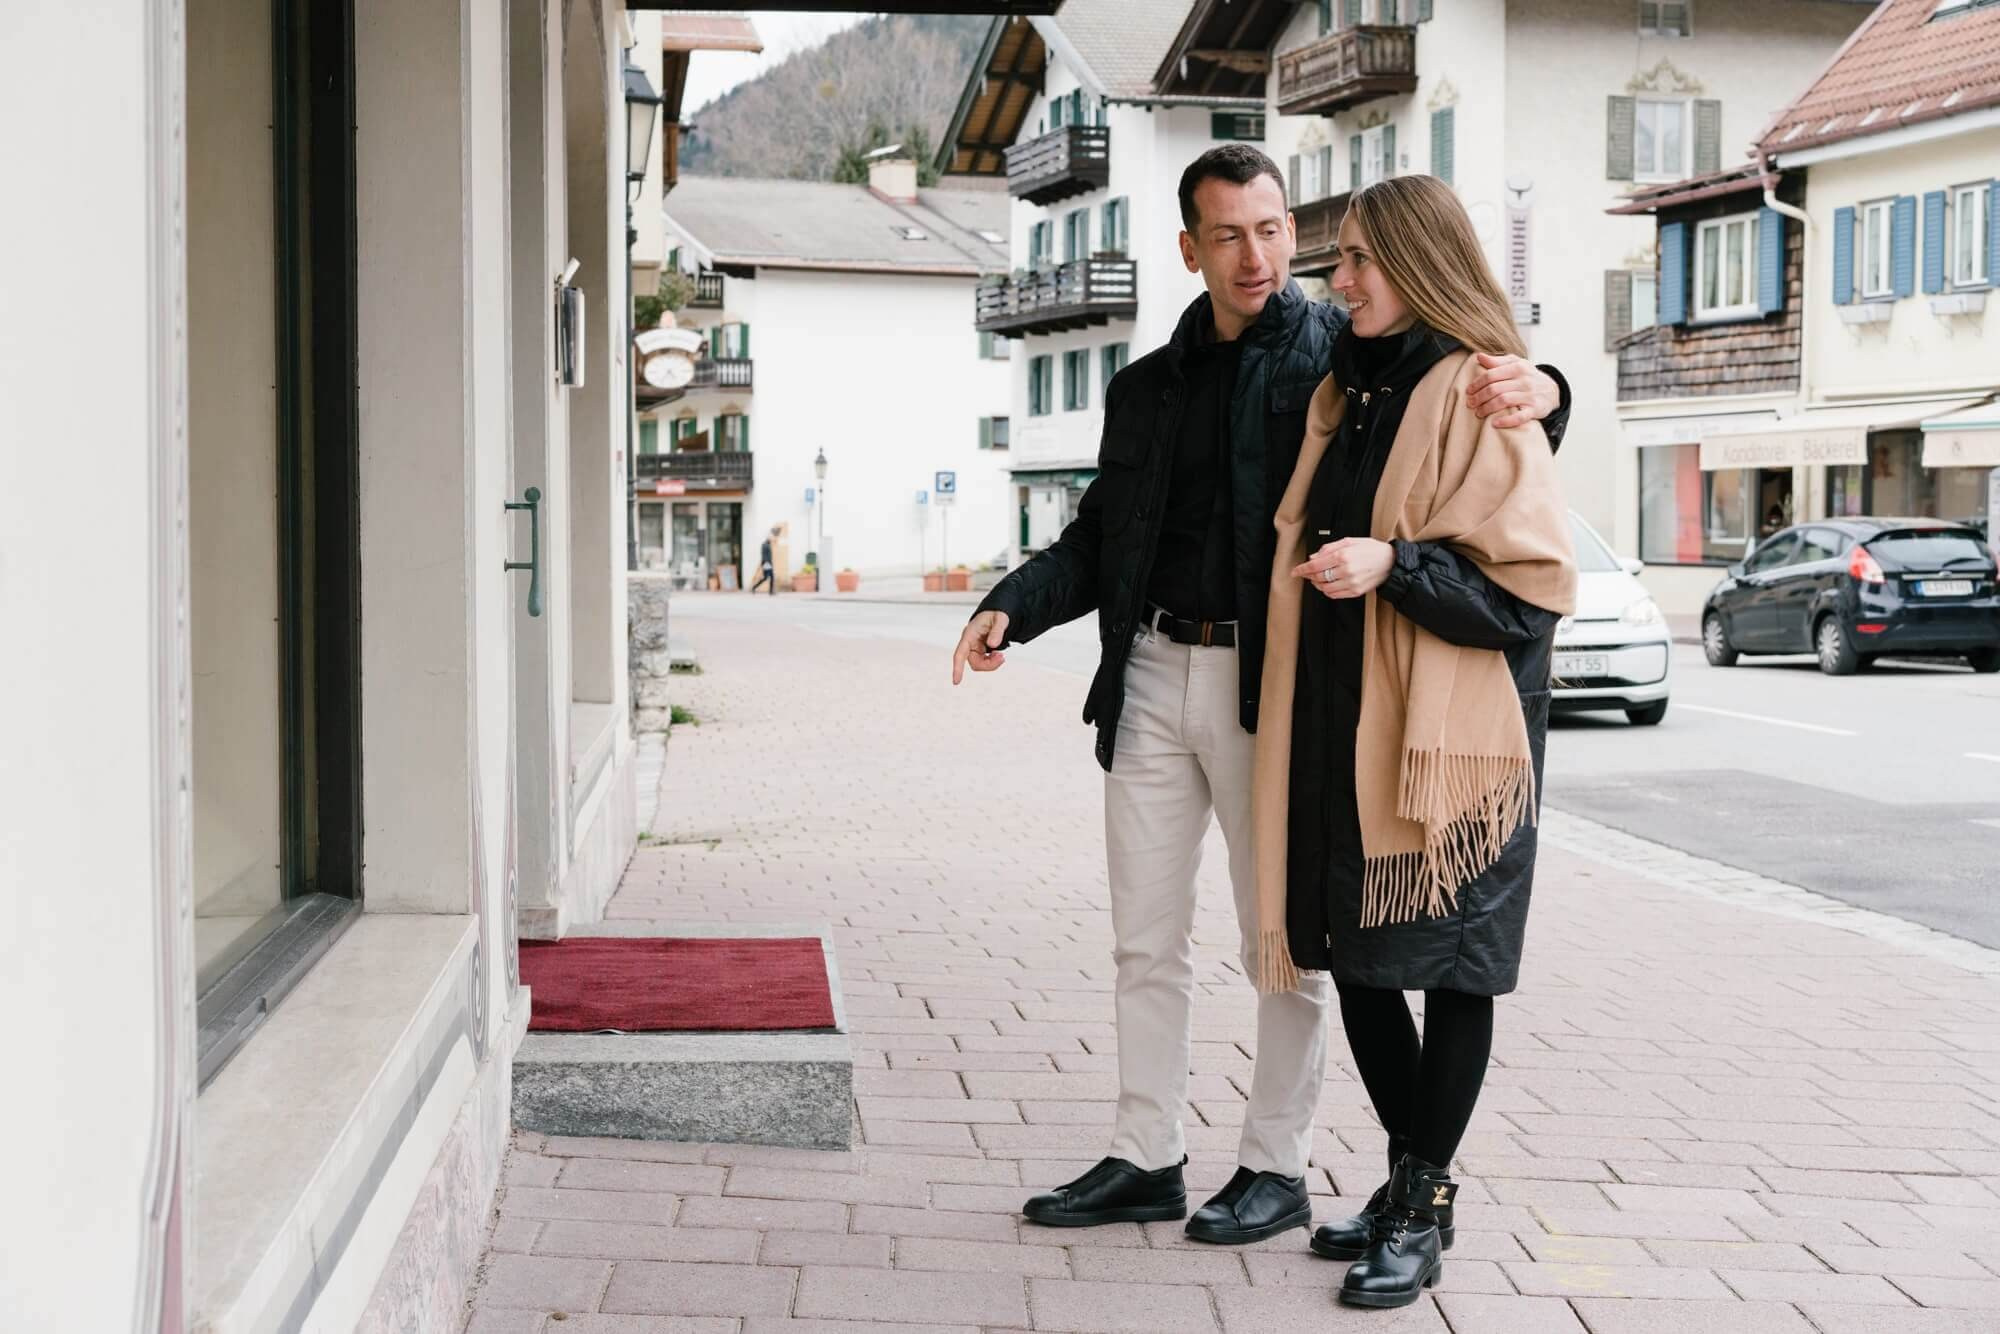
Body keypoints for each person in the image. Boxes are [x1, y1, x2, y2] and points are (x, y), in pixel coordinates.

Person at [949, 145, 1569, 1247]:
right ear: (1188, 249)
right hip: (1147, 673)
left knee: (1278, 936)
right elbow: (1103, 532)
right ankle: (1145, 1152)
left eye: (1275, 228)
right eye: (1229, 233)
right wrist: (1015, 602)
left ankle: (1273, 1163)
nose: (1260, 254)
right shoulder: (1145, 388)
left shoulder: (1343, 354)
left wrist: (1550, 384)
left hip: (1272, 685)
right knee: (1143, 937)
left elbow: (1475, 402)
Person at [1252, 174, 1576, 1308]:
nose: (1336, 283)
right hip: (1344, 729)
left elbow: (1525, 594)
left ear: (1418, 262)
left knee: (1448, 969)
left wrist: (1394, 566)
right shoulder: (1350, 392)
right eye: (1334, 260)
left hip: (1456, 756)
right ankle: (1406, 1179)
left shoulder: (1475, 391)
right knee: (1361, 959)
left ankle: (1423, 1200)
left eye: (1357, 261)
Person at [749, 526, 778, 595]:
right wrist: (767, 563)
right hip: (767, 563)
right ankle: (756, 588)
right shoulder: (765, 545)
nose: (772, 539)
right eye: (771, 538)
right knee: (769, 577)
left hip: (768, 563)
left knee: (768, 578)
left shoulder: (767, 545)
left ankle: (756, 588)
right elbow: (764, 555)